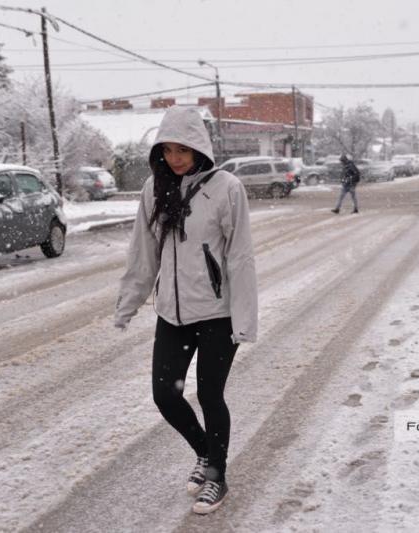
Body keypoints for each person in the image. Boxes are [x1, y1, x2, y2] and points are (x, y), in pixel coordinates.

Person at [114, 106, 258, 515]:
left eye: (183, 149)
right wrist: (129, 302)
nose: (176, 158)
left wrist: (244, 321)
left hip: (217, 313)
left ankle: (218, 478)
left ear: (200, 148)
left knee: (210, 395)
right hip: (172, 315)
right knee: (165, 395)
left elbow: (240, 257)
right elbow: (144, 253)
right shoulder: (154, 189)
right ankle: (206, 453)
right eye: (168, 150)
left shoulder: (227, 188)